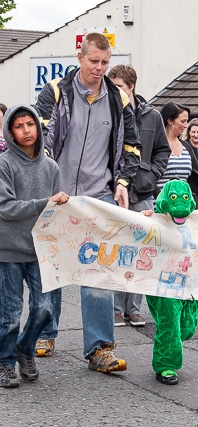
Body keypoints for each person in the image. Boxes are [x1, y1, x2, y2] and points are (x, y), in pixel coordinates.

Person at [34, 32, 141, 372]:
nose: (99, 68)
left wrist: (122, 182)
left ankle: (100, 348)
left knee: (98, 271)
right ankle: (43, 332)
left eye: (105, 63)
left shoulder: (118, 99)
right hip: (59, 194)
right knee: (53, 265)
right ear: (79, 57)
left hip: (99, 197)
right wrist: (46, 185)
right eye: (94, 61)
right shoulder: (55, 93)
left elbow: (132, 148)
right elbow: (39, 142)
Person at [0, 105, 69, 388]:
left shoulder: (51, 167)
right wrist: (45, 202)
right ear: (10, 132)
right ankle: (4, 363)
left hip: (42, 251)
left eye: (30, 124)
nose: (27, 130)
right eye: (19, 126)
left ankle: (25, 348)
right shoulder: (4, 164)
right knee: (10, 314)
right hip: (9, 249)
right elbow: (6, 208)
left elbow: (58, 213)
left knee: (45, 309)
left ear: (38, 128)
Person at [108, 64, 171, 328]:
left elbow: (162, 151)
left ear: (131, 86)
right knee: (115, 250)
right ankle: (115, 309)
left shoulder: (152, 116)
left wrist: (151, 173)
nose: (115, 92)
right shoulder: (109, 112)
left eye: (119, 87)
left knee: (141, 252)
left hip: (143, 191)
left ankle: (133, 308)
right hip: (113, 191)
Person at [141, 180, 198, 385]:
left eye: (185, 199)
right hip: (163, 284)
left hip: (188, 281)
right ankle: (165, 365)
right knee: (169, 323)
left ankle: (171, 346)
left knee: (186, 327)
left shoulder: (194, 220)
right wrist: (142, 219)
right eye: (174, 199)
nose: (180, 205)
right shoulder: (155, 220)